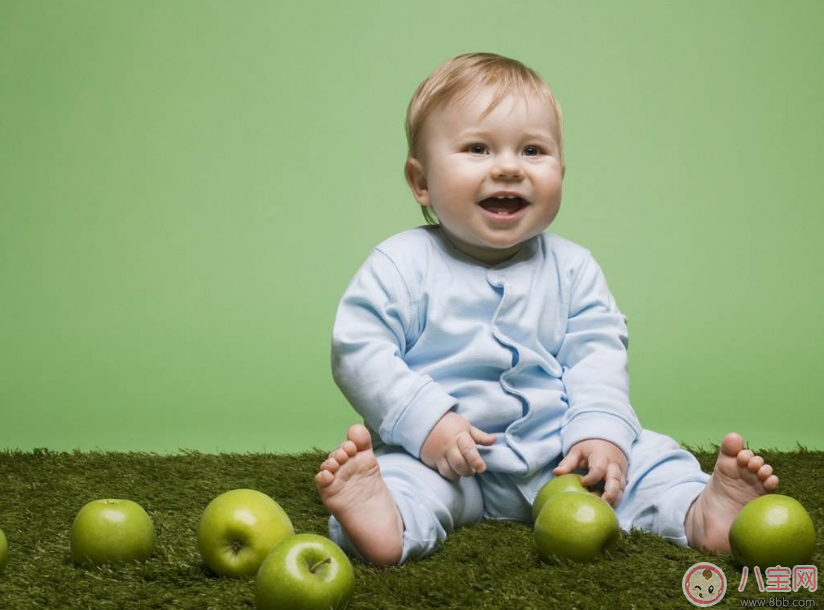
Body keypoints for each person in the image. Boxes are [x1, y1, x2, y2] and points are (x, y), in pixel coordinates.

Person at [315, 52, 779, 566]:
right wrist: (428, 424)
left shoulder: (573, 267)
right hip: (446, 461)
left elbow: (597, 353)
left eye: (533, 150)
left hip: (562, 457)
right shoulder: (401, 265)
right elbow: (359, 350)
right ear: (421, 181)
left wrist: (599, 432)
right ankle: (385, 522)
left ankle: (699, 510)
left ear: (561, 170)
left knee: (648, 460)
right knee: (404, 482)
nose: (509, 167)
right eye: (477, 148)